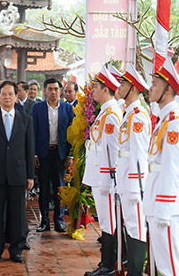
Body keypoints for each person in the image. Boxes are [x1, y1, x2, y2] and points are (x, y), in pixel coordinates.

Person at [0, 80, 35, 263]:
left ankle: (16, 249)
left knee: (18, 214)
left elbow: (29, 149)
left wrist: (30, 176)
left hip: (18, 174)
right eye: (3, 94)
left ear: (17, 96)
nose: (7, 97)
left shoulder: (26, 120)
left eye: (11, 94)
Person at [83, 66, 122, 276]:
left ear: (106, 89)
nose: (93, 92)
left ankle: (109, 266)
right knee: (107, 220)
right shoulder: (105, 112)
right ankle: (106, 263)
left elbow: (115, 151)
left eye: (96, 87)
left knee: (108, 221)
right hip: (100, 176)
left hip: (106, 178)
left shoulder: (111, 115)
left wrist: (111, 179)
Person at [144, 58, 179, 276]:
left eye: (155, 84)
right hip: (156, 198)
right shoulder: (164, 120)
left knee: (170, 265)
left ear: (168, 89)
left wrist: (164, 208)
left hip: (166, 204)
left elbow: (172, 168)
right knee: (162, 263)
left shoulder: (174, 123)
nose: (150, 88)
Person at [116, 64, 150, 276]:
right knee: (130, 226)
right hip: (126, 180)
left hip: (133, 183)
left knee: (136, 227)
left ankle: (136, 271)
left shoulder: (137, 115)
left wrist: (137, 186)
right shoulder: (129, 114)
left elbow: (139, 154)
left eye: (124, 83)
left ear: (134, 89)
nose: (119, 86)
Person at [32, 78, 74, 233]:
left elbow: (72, 134)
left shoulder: (67, 109)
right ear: (44, 91)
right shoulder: (37, 108)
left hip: (60, 154)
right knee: (43, 189)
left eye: (56, 89)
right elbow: (33, 132)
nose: (53, 92)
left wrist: (70, 155)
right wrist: (34, 154)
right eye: (50, 89)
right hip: (43, 154)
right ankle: (44, 221)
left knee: (60, 189)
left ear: (60, 90)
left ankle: (59, 220)